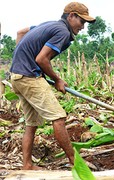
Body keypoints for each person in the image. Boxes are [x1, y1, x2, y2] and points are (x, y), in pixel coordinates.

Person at [9, 2, 95, 170]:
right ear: (71, 16)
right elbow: (41, 59)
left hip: (16, 77)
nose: (83, 27)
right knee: (58, 118)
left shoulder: (47, 25)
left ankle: (27, 165)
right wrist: (57, 80)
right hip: (29, 77)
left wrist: (19, 59)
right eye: (82, 22)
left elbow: (21, 32)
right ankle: (76, 163)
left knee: (31, 123)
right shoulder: (62, 31)